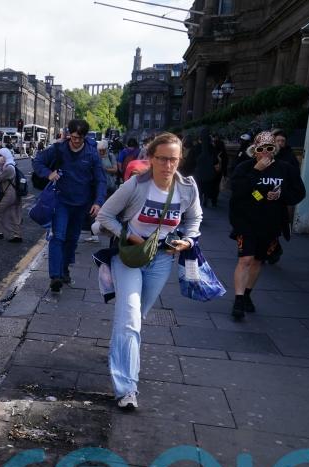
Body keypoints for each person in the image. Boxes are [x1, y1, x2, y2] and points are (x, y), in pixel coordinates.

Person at [96, 133, 203, 409]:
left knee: (137, 316)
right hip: (130, 257)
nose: (168, 165)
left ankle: (120, 352)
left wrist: (188, 240)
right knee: (130, 319)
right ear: (151, 158)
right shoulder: (135, 185)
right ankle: (126, 389)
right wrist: (129, 236)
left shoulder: (187, 188)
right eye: (162, 158)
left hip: (162, 259)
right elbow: (105, 215)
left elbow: (195, 218)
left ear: (180, 159)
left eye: (173, 159)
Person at [228, 131, 306, 320]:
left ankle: (247, 294)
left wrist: (281, 195)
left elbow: (299, 192)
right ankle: (238, 300)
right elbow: (237, 190)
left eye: (269, 148)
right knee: (245, 259)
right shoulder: (245, 167)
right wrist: (256, 171)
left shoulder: (285, 169)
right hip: (246, 222)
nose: (265, 152)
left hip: (271, 223)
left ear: (275, 149)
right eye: (261, 148)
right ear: (254, 149)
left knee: (257, 261)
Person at [32, 119, 107, 292]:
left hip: (81, 204)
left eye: (79, 138)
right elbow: (37, 161)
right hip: (61, 200)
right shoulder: (59, 149)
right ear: (68, 135)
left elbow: (100, 180)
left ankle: (64, 269)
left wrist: (98, 202)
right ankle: (55, 277)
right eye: (73, 137)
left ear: (84, 137)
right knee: (58, 237)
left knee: (72, 239)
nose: (76, 141)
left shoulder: (91, 154)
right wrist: (48, 173)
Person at [0, 147, 22, 243]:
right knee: (12, 214)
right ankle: (17, 236)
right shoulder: (10, 165)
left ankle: (0, 233)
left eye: (0, 155)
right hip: (13, 194)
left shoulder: (8, 168)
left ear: (5, 156)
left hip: (9, 194)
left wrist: (0, 169)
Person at [211, 134, 228, 207]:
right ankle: (214, 199)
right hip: (220, 172)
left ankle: (211, 197)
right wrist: (225, 173)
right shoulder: (224, 153)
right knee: (217, 185)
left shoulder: (213, 152)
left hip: (213, 171)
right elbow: (225, 164)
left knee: (212, 184)